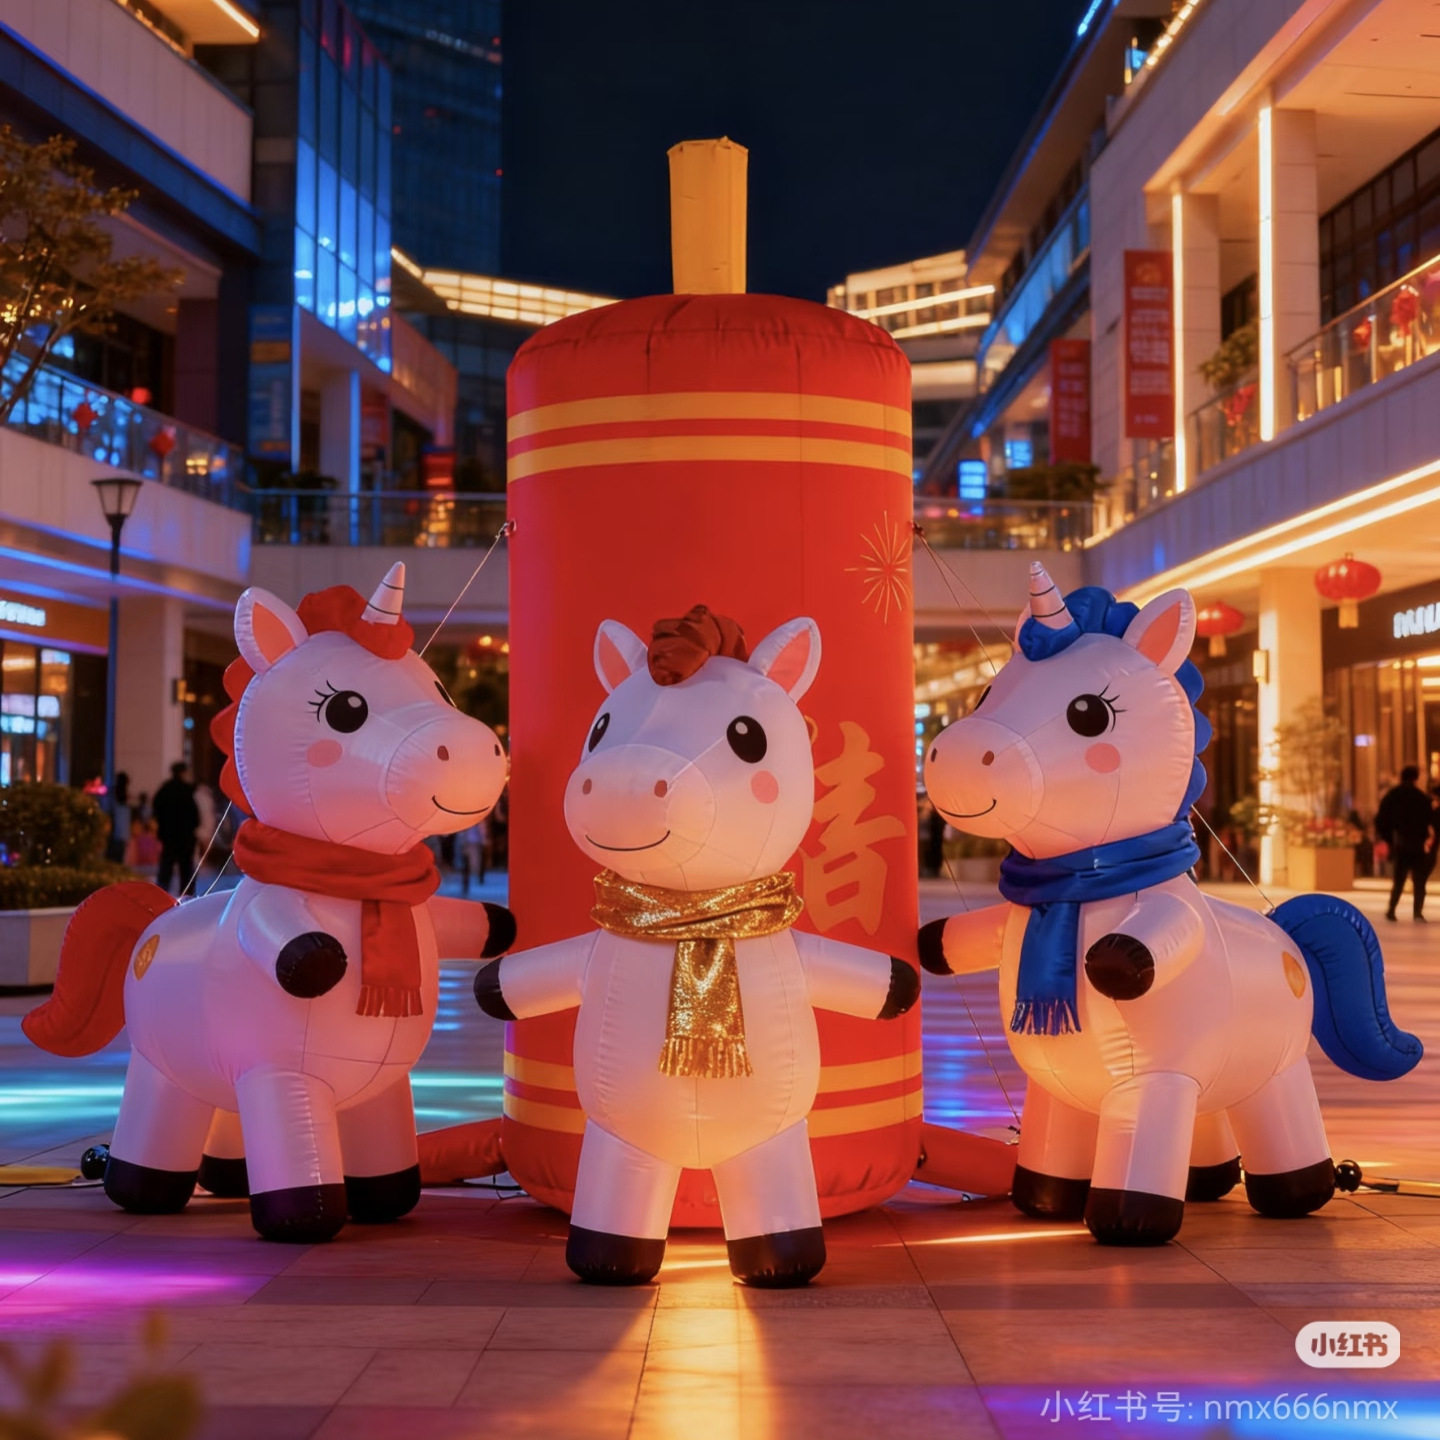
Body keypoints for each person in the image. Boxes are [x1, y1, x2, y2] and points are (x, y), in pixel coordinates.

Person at [1375, 765, 1436, 921]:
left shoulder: (1392, 796)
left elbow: (1381, 819)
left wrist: (1389, 839)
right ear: (1415, 778)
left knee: (1399, 880)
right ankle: (1417, 912)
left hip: (1400, 842)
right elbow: (1431, 820)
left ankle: (1391, 909)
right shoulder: (1421, 798)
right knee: (1419, 880)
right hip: (1417, 843)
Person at [152, 761, 200, 896]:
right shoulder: (187, 790)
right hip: (185, 836)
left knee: (166, 866)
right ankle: (187, 895)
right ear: (183, 773)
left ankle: (161, 894)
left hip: (168, 835)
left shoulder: (165, 789)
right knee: (186, 868)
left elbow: (157, 809)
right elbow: (194, 814)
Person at [105, 772, 132, 864]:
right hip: (121, 831)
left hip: (115, 830)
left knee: (113, 855)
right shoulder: (124, 798)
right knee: (119, 856)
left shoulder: (113, 794)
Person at [457, 818, 487, 896]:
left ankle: (468, 883)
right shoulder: (477, 820)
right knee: (468, 864)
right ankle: (467, 884)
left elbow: (482, 831)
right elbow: (482, 831)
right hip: (471, 843)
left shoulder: (470, 820)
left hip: (471, 843)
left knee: (469, 865)